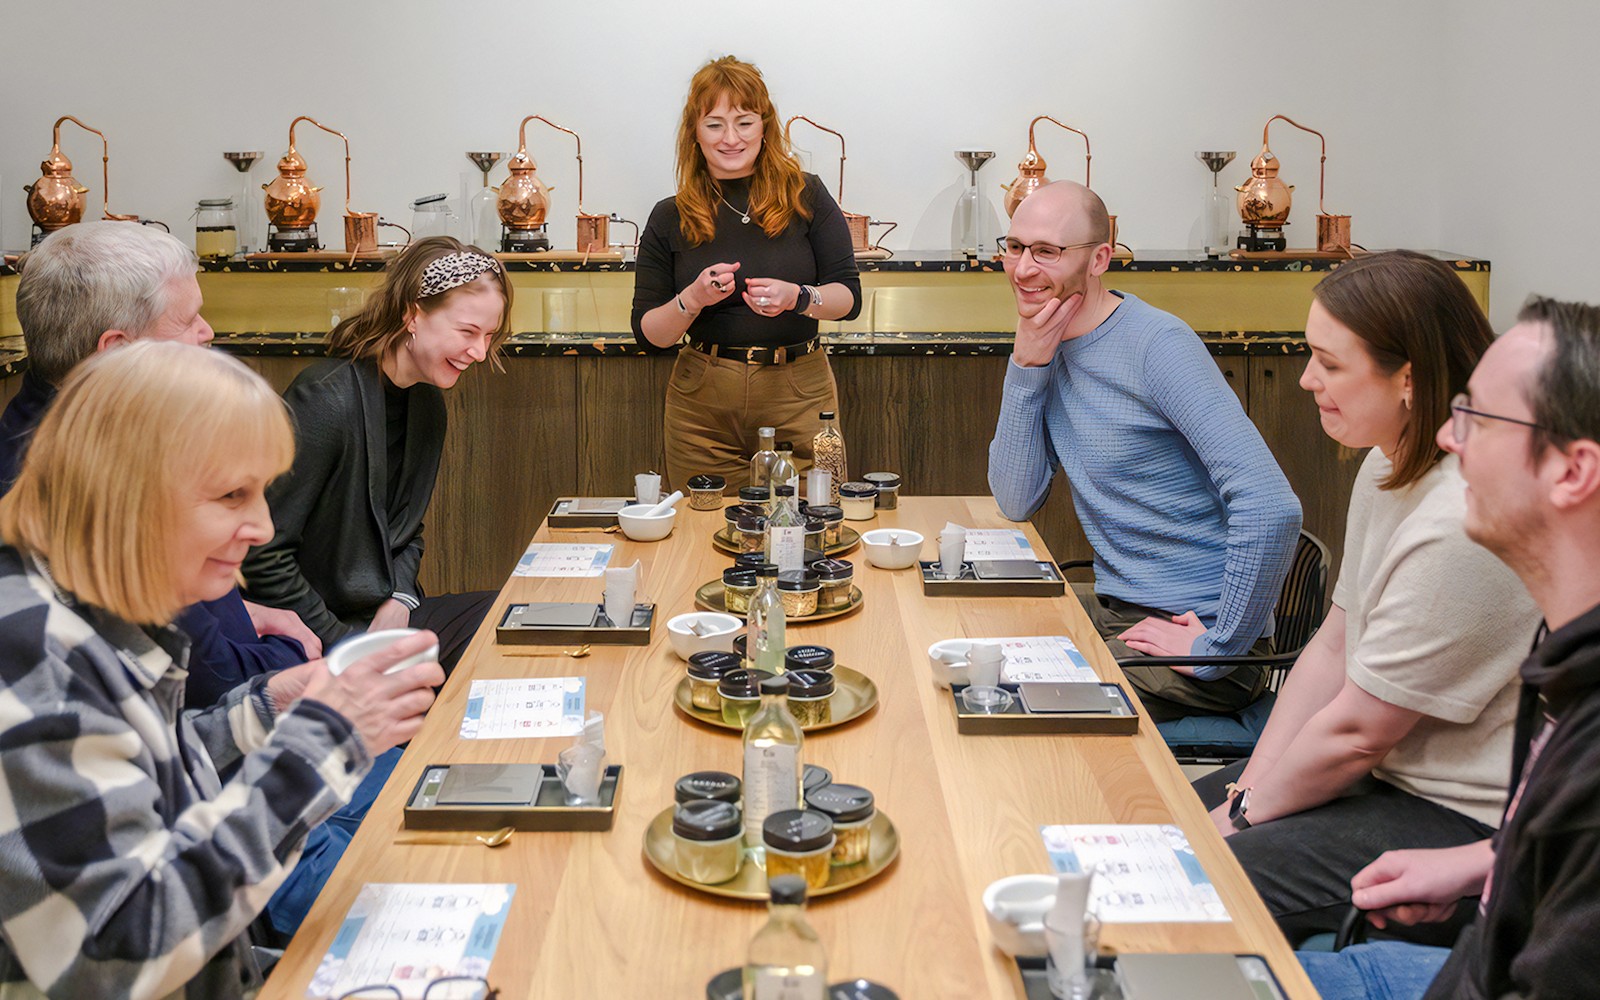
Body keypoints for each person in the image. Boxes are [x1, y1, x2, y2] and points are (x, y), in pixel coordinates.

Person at [0, 341, 443, 998]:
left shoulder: (89, 606)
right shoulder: (33, 656)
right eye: (233, 494)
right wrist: (322, 740)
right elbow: (117, 955)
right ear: (125, 491)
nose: (262, 526)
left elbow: (135, 773)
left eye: (262, 493)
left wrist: (264, 709)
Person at [1189, 251, 1541, 947]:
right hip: (1381, 772)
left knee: (1198, 884)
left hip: (1454, 813)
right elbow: (1333, 645)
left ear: (1407, 377)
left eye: (1329, 362)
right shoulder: (1388, 461)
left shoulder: (1459, 518)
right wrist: (1250, 787)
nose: (1306, 379)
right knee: (1161, 824)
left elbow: (1357, 732)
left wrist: (1247, 819)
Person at [1297, 296, 1600, 1000]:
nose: (1450, 439)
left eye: (1478, 420)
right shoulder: (1567, 646)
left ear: (1573, 472)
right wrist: (1482, 865)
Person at [987, 180, 1301, 720]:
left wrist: (1221, 648)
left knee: (1008, 703)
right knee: (972, 651)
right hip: (1123, 614)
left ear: (1100, 258)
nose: (1022, 269)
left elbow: (1273, 506)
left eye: (1046, 251)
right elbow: (1015, 499)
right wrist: (1026, 369)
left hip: (1196, 639)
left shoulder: (1158, 346)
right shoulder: (1047, 344)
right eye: (1014, 247)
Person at [0, 221, 319, 693]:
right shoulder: (96, 486)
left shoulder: (43, 425)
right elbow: (209, 681)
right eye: (189, 320)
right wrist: (298, 654)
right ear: (119, 352)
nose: (208, 333)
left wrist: (247, 614)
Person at [243, 236, 510, 670]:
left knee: (511, 617)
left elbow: (407, 530)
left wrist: (402, 598)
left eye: (489, 336)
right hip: (306, 633)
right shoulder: (324, 399)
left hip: (383, 618)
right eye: (467, 332)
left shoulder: (427, 403)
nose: (479, 353)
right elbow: (263, 553)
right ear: (412, 314)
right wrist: (347, 646)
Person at [631, 55, 863, 492]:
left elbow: (848, 298)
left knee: (809, 527)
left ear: (765, 126)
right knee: (702, 536)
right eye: (715, 124)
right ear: (695, 134)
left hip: (799, 394)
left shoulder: (805, 193)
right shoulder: (669, 216)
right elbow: (649, 334)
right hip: (701, 403)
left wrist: (798, 297)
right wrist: (692, 300)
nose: (731, 138)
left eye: (744, 122)